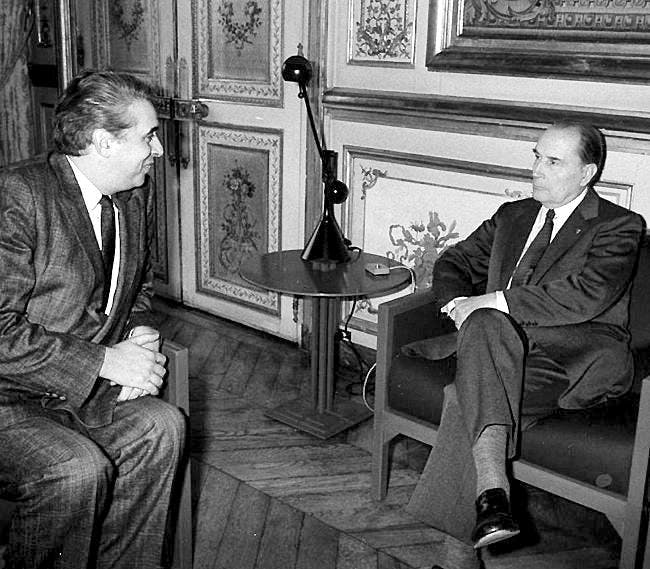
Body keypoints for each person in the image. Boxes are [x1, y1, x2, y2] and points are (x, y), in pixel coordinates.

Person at [405, 122, 644, 552]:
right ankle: (492, 500)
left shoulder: (619, 225)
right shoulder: (512, 216)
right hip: (496, 348)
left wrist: (492, 302)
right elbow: (454, 262)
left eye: (552, 161)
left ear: (587, 173)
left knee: (465, 393)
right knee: (484, 333)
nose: (535, 169)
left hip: (571, 360)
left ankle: (466, 539)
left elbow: (587, 295)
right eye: (536, 156)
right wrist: (456, 306)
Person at [0, 71, 185, 569]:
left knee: (163, 427)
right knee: (77, 471)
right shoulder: (18, 195)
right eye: (148, 136)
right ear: (104, 143)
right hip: (9, 398)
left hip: (78, 392)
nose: (159, 150)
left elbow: (137, 287)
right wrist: (105, 362)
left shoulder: (134, 194)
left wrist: (139, 333)